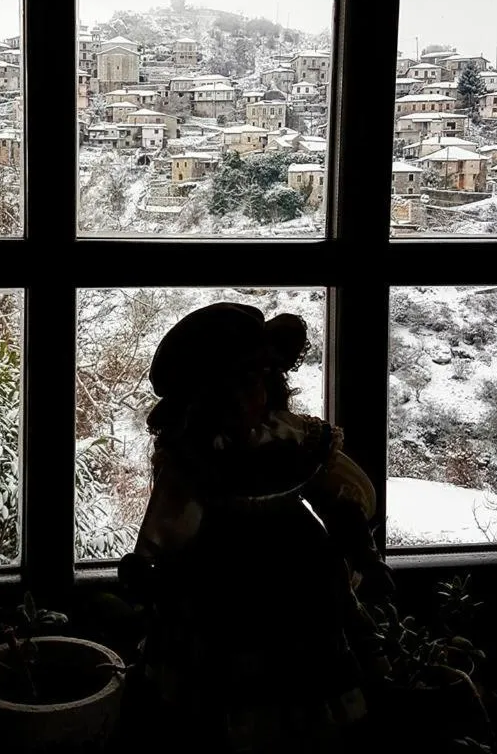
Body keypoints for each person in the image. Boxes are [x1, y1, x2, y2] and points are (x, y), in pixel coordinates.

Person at [120, 302, 392, 753]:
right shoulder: (196, 460)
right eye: (235, 387)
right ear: (203, 400)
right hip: (219, 585)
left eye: (259, 382)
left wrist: (364, 554)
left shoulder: (291, 439)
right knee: (219, 693)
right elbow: (170, 525)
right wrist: (151, 571)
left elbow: (344, 499)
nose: (252, 398)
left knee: (310, 688)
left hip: (304, 577)